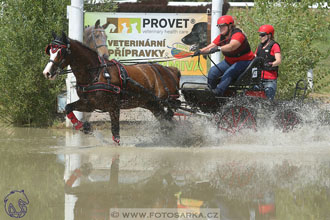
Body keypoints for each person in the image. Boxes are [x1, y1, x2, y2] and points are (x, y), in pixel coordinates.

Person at [195, 15, 255, 96]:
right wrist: (200, 51)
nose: (220, 28)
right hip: (229, 61)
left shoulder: (238, 35)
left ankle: (218, 93)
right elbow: (210, 47)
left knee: (229, 72)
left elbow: (232, 46)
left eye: (223, 26)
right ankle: (210, 93)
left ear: (230, 26)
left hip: (245, 61)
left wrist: (218, 48)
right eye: (219, 26)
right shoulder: (221, 37)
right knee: (213, 71)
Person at [255, 24, 281, 100]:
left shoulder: (274, 45)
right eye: (260, 34)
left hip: (270, 79)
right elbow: (254, 57)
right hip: (258, 79)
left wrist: (271, 64)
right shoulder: (260, 46)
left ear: (269, 35)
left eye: (262, 35)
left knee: (268, 102)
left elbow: (278, 60)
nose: (260, 37)